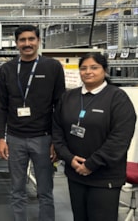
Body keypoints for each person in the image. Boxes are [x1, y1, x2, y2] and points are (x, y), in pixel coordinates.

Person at [52, 52, 136, 221]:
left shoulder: (117, 98)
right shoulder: (69, 97)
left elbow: (119, 139)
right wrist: (69, 158)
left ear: (104, 70)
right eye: (83, 68)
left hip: (105, 177)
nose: (88, 71)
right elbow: (57, 130)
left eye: (94, 67)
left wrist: (91, 164)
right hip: (75, 173)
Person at [0, 25, 66, 221]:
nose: (27, 44)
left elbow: (59, 106)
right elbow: (1, 106)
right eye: (22, 40)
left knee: (45, 191)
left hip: (43, 139)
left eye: (31, 39)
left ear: (38, 41)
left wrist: (56, 140)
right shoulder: (7, 69)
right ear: (16, 43)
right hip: (15, 139)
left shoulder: (52, 67)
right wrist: (2, 138)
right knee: (17, 190)